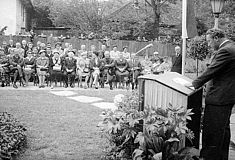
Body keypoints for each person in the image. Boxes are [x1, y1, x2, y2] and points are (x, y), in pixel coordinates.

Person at [186, 28, 235, 160]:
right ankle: (221, 157)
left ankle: (208, 157)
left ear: (216, 38)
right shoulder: (231, 47)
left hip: (219, 98)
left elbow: (212, 70)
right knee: (223, 131)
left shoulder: (225, 50)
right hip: (226, 96)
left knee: (212, 131)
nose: (208, 45)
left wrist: (195, 83)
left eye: (209, 41)